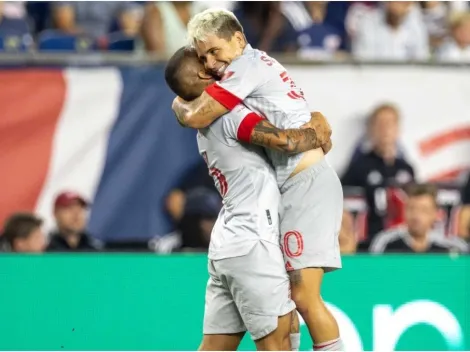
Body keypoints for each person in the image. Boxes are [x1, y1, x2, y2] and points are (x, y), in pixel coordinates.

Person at [171, 9, 343, 350]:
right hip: (254, 232)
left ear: (238, 39)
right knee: (287, 323)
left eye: (214, 54)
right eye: (204, 61)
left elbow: (192, 108)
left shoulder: (244, 73)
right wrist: (318, 129)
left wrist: (179, 103)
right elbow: (283, 140)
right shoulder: (230, 111)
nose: (213, 65)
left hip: (250, 221)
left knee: (301, 300)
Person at [342, 104, 415, 243]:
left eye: (390, 123)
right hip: (369, 241)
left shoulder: (407, 168)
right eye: (380, 124)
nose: (385, 129)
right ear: (371, 130)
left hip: (403, 242)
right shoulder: (359, 166)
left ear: (398, 129)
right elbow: (341, 201)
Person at [370, 183, 468, 253]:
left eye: (424, 210)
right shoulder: (385, 243)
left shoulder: (454, 246)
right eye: (411, 209)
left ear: (435, 214)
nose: (416, 216)